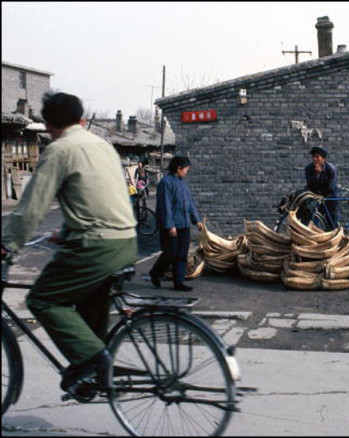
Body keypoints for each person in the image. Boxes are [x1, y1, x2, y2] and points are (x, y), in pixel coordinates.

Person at [1, 91, 138, 395]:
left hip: (95, 248)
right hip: (126, 241)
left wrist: (7, 244)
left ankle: (96, 363)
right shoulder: (103, 146)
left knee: (42, 299)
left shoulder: (59, 150)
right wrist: (64, 233)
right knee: (88, 306)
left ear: (47, 124)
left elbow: (32, 207)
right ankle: (92, 375)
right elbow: (98, 200)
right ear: (82, 120)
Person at [149, 156, 203, 291]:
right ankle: (155, 272)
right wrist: (170, 225)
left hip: (184, 225)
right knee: (170, 254)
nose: (186, 172)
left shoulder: (183, 184)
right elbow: (165, 206)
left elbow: (189, 204)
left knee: (181, 255)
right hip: (170, 227)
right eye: (185, 170)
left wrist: (196, 220)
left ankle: (178, 282)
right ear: (178, 168)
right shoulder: (165, 183)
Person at [304, 145, 341, 228]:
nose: (315, 159)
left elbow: (330, 187)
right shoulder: (309, 168)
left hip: (330, 197)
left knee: (332, 221)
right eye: (313, 157)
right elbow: (310, 185)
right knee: (313, 219)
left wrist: (319, 177)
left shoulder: (331, 169)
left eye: (317, 157)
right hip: (316, 197)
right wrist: (316, 174)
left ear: (323, 159)